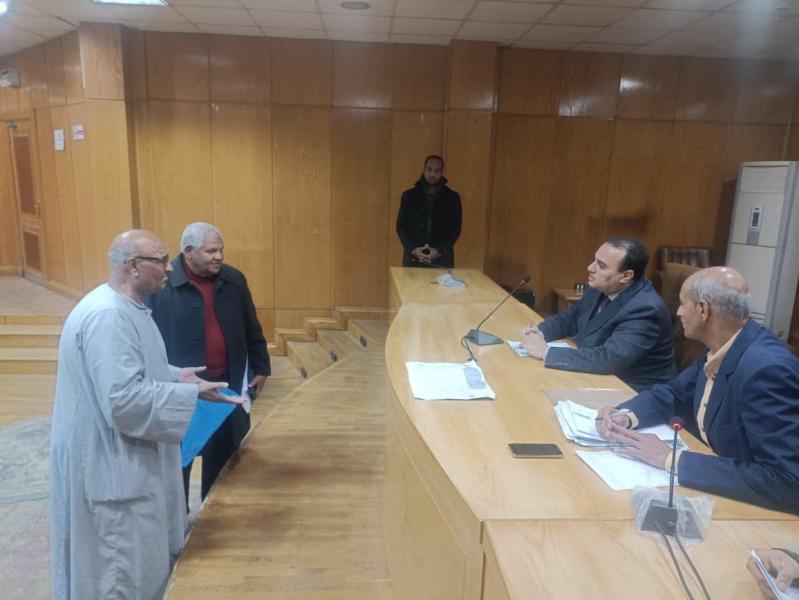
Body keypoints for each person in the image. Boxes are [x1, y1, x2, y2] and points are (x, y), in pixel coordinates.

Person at [50, 229, 242, 599]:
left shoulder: (124, 307)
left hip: (122, 459)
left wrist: (175, 376)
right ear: (133, 266)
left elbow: (129, 369)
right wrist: (187, 393)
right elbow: (122, 400)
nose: (169, 268)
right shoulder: (108, 317)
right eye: (161, 260)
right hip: (111, 467)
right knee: (120, 573)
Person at [597, 267, 799, 514]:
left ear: (703, 310)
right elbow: (675, 393)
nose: (678, 312)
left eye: (683, 304)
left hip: (758, 516)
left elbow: (787, 482)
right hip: (718, 490)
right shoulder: (722, 346)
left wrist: (671, 459)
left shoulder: (766, 370)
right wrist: (625, 416)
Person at [147, 222, 270, 507]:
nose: (219, 257)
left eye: (221, 250)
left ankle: (216, 518)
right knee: (177, 465)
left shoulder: (234, 280)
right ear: (188, 252)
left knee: (225, 465)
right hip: (180, 391)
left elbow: (251, 327)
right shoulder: (162, 284)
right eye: (211, 251)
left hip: (226, 388)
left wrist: (261, 366)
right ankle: (178, 524)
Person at [521, 237, 677, 391]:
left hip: (633, 389)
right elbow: (569, 319)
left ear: (625, 276)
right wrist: (539, 332)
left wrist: (545, 352)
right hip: (601, 377)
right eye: (594, 260)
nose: (590, 267)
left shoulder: (645, 309)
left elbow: (609, 359)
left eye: (601, 265)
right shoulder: (600, 288)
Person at [396, 154, 462, 268]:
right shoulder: (409, 196)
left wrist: (440, 250)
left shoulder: (452, 197)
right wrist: (413, 249)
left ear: (442, 172)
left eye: (437, 170)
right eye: (429, 169)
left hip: (442, 259)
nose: (432, 174)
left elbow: (455, 229)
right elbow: (401, 227)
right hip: (413, 259)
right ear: (424, 170)